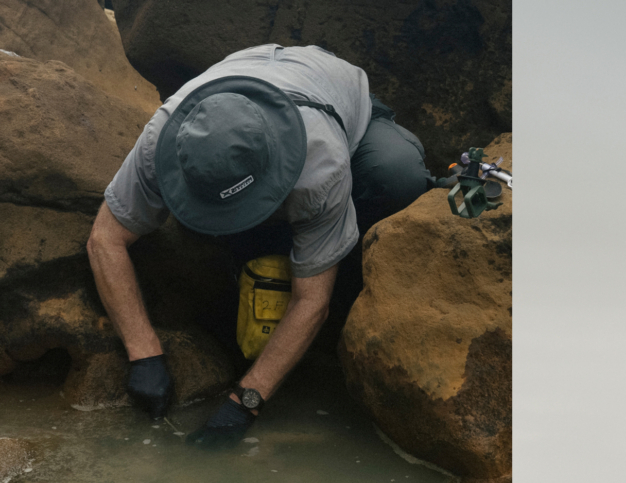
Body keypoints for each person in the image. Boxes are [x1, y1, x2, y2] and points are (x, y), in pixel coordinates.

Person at [86, 44, 443, 448]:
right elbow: (105, 239)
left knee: (396, 176)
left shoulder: (320, 162)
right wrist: (143, 354)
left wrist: (245, 402)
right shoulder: (160, 141)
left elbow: (313, 302)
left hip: (333, 98)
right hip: (242, 77)